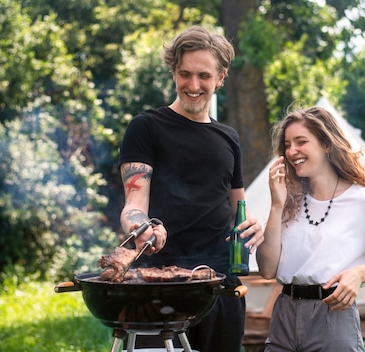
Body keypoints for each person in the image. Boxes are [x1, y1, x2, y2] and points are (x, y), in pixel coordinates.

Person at [118, 25, 264, 351]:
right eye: (184, 74)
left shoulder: (229, 138)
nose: (193, 85)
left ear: (221, 78)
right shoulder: (147, 127)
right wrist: (141, 227)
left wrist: (252, 225)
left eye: (204, 76)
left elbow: (237, 209)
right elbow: (133, 202)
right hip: (157, 289)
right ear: (173, 73)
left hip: (218, 287)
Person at [256, 106, 365, 351]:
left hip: (333, 316)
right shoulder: (288, 199)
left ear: (326, 145)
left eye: (301, 142)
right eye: (287, 144)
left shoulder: (363, 201)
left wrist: (360, 274)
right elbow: (267, 269)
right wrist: (276, 205)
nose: (292, 151)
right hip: (284, 314)